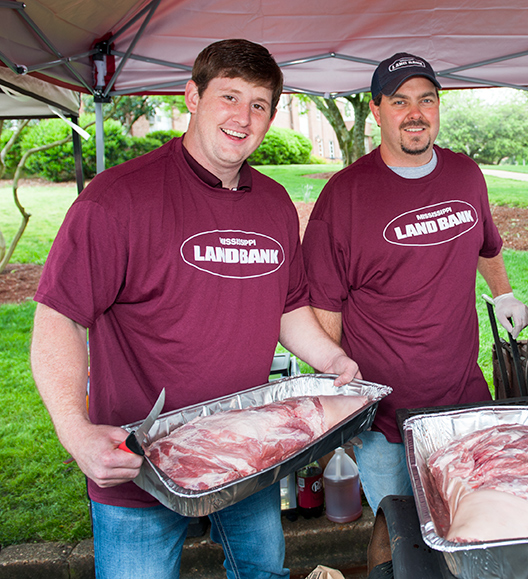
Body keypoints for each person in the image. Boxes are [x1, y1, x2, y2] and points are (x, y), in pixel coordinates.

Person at [30, 39, 359, 579]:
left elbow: (289, 304)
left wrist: (331, 359)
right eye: (229, 96)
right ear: (192, 97)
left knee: (263, 572)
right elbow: (59, 315)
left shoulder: (274, 202)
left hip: (247, 452)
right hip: (139, 464)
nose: (243, 117)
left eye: (258, 104)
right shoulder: (117, 199)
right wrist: (73, 429)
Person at [302, 52, 528, 512]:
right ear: (375, 109)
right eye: (400, 101)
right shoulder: (344, 195)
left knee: (471, 515)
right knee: (397, 527)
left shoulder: (466, 174)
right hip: (385, 415)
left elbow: (486, 244)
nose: (415, 114)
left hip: (463, 397)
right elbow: (324, 304)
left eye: (426, 100)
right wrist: (337, 395)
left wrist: (503, 291)